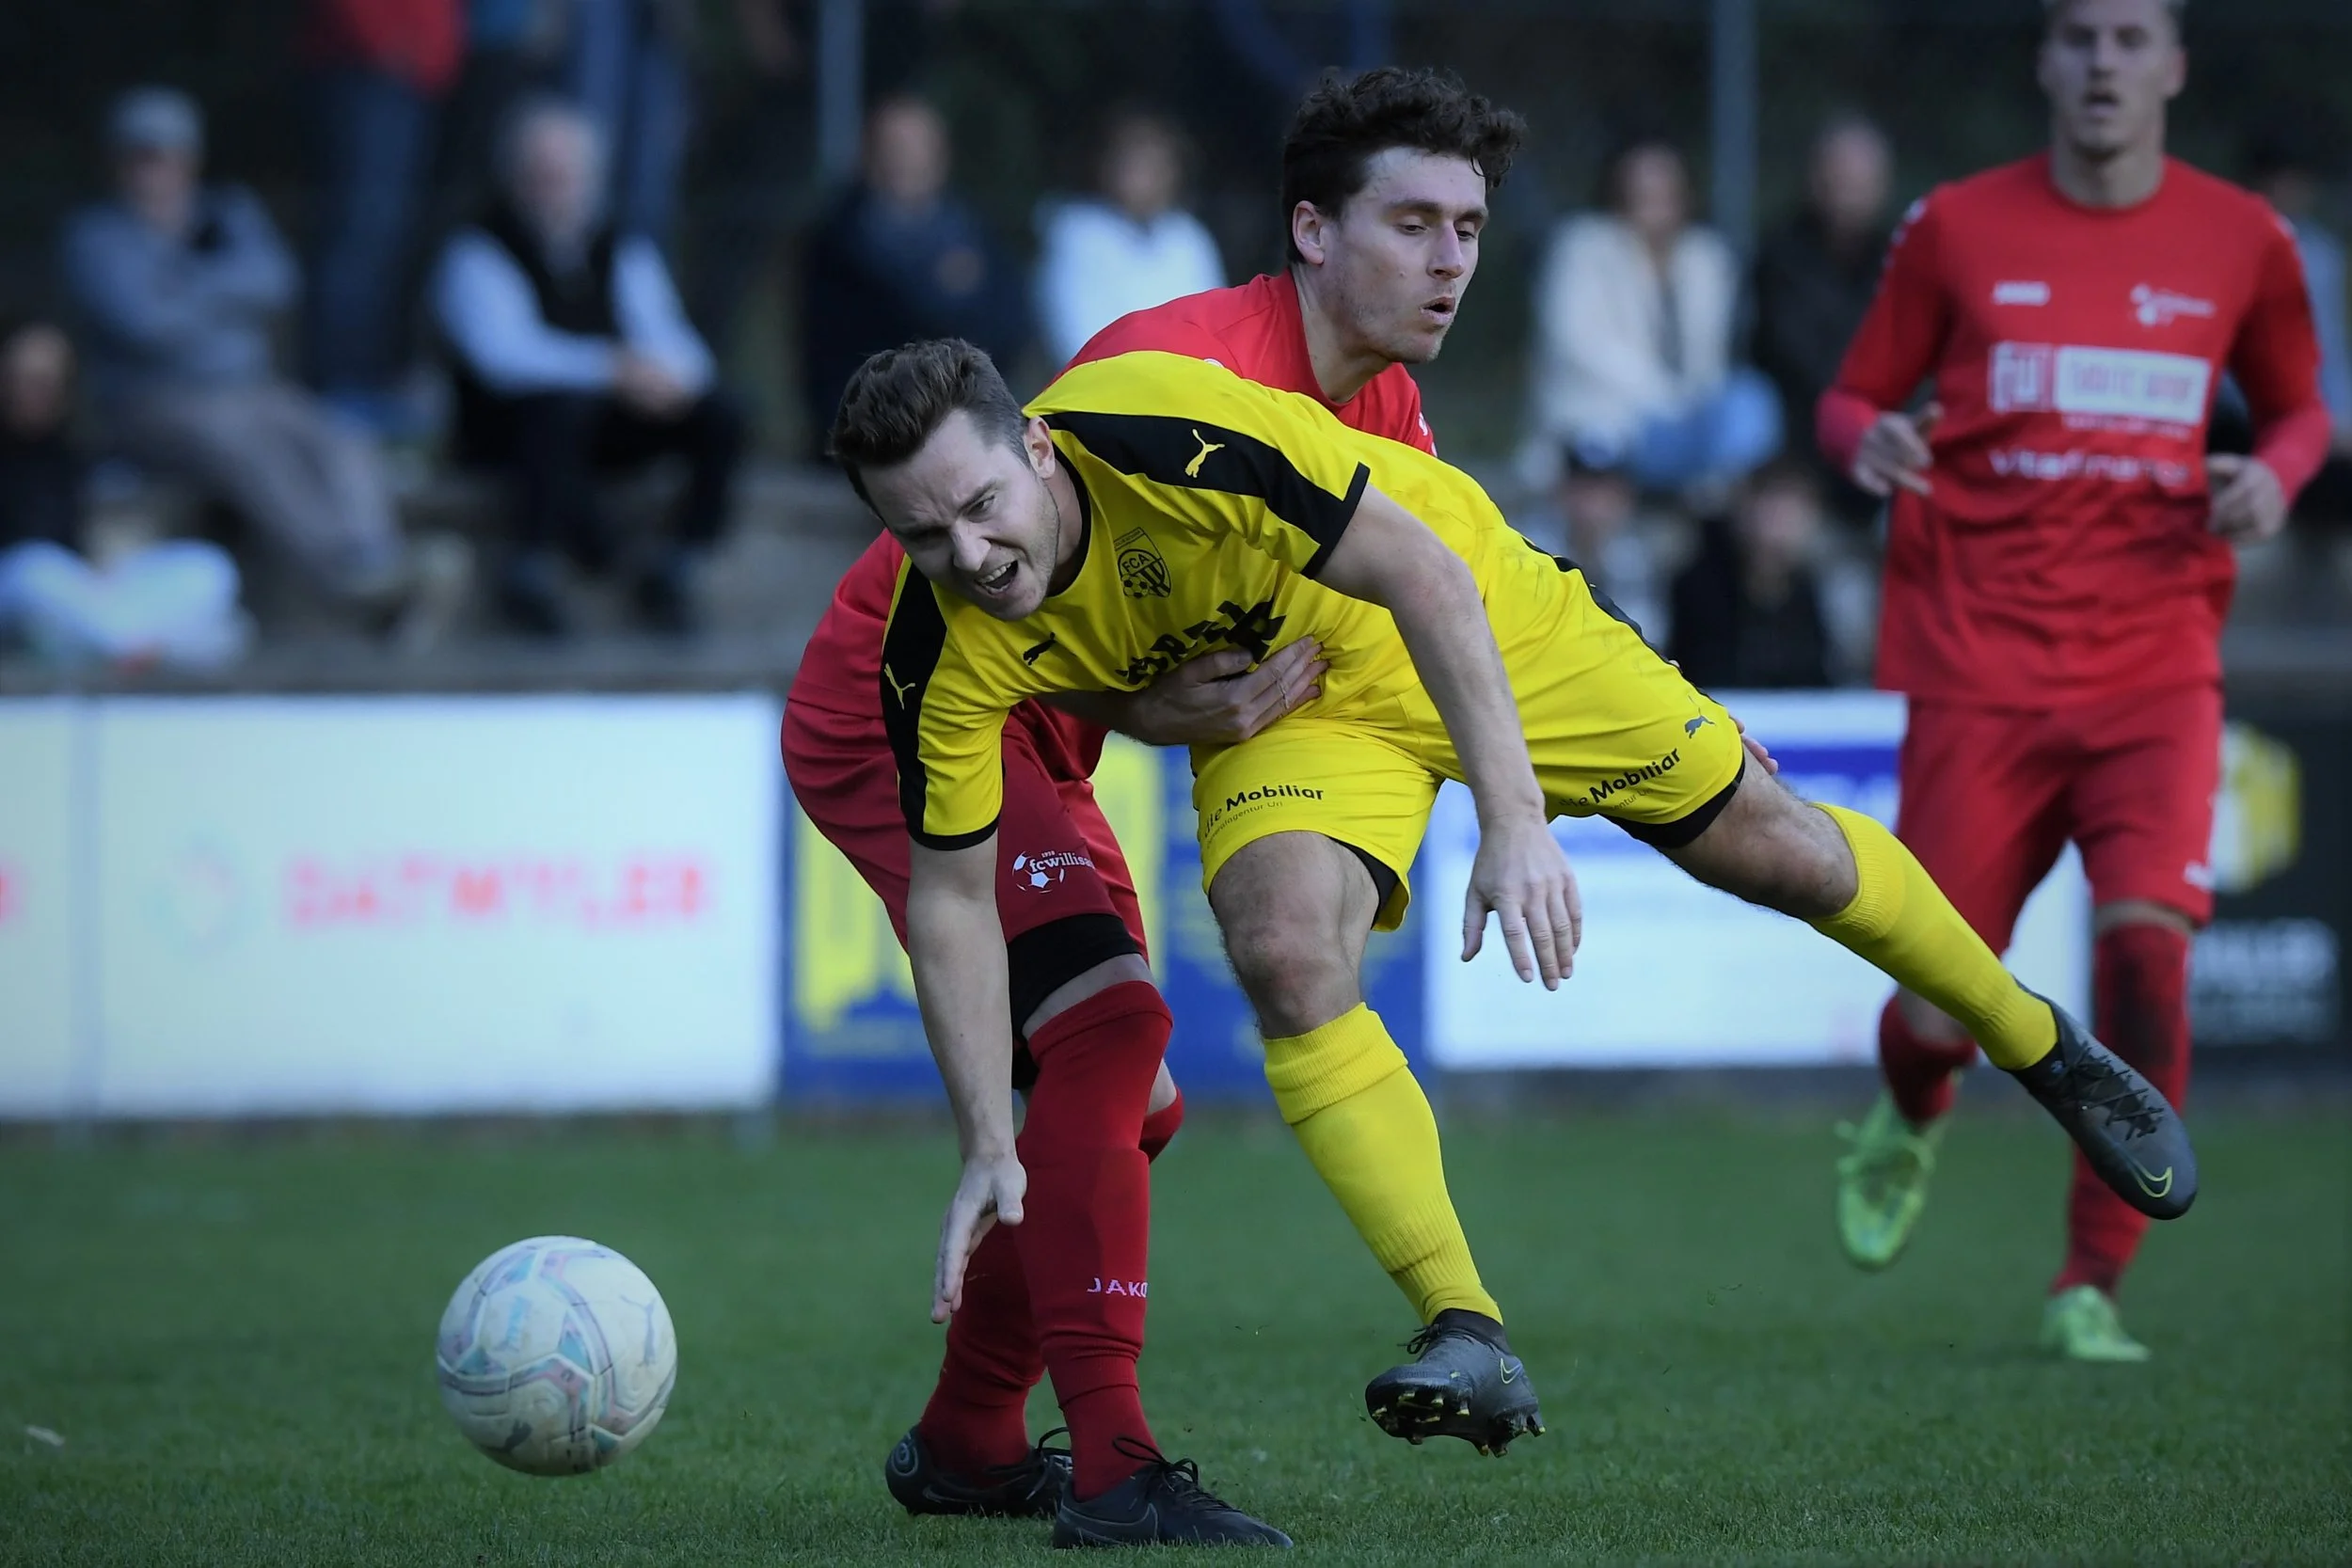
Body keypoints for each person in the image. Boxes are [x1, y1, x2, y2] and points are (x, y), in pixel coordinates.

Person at [839, 339, 2198, 1496]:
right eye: (922, 532)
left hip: (1460, 613)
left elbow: (1423, 577)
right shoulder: (934, 636)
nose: (967, 551)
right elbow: (953, 900)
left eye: (977, 503)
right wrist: (981, 1135)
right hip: (1300, 697)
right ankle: (1464, 1319)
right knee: (1282, 943)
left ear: (1034, 445)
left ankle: (2042, 1048)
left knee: (1779, 852)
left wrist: (1514, 816)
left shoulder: (1162, 430)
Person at [783, 69, 1532, 1545]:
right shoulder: (1180, 364)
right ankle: (1116, 1469)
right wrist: (976, 1129)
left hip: (1038, 730)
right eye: (1418, 223)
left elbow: (1446, 590)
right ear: (1321, 234)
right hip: (911, 723)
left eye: (1467, 229)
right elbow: (1043, 554)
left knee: (1129, 1104)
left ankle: (969, 1440)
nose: (1448, 260)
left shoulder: (1384, 406)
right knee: (1113, 1036)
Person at [1820, 0, 2329, 1362]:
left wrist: (2272, 478)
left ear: (2173, 65)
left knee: (2149, 953)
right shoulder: (1955, 226)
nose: (2103, 63)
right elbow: (1850, 395)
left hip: (2156, 663)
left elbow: (2300, 409)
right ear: (2045, 62)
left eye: (2129, 38)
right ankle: (1912, 1104)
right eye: (2078, 37)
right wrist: (1869, 439)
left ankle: (2089, 1280)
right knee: (1935, 1001)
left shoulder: (2245, 240)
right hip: (1977, 664)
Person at [61, 87, 461, 647]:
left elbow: (276, 281)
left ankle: (377, 557)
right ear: (119, 161)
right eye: (141, 155)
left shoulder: (226, 212)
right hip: (156, 402)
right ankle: (343, 576)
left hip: (251, 389)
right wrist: (224, 298)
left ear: (189, 158)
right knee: (246, 449)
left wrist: (184, 290)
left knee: (335, 437)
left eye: (165, 155)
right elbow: (145, 324)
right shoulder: (97, 236)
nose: (154, 170)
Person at [433, 96, 744, 636]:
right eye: (540, 174)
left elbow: (674, 339)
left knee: (722, 415)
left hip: (603, 426)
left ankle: (677, 566)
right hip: (506, 433)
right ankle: (531, 573)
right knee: (553, 412)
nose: (554, 188)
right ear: (515, 177)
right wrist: (614, 369)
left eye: (566, 174)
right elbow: (505, 358)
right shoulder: (477, 251)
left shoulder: (619, 246)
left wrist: (670, 380)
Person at [1528, 134, 1781, 496]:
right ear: (1618, 190)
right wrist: (1667, 398)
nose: (1653, 200)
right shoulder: (1584, 246)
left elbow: (1707, 358)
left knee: (1752, 399)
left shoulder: (1705, 257)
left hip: (1685, 421)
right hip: (1611, 421)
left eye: (1664, 189)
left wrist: (1689, 408)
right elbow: (1578, 344)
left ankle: (1726, 505)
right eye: (1640, 189)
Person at [0, 320, 246, 669]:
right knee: (35, 569)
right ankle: (151, 647)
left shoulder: (79, 451)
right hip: (23, 586)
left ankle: (108, 647)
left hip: (83, 592)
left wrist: (107, 562)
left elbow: (102, 536)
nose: (39, 391)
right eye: (26, 379)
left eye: (51, 380)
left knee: (208, 566)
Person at [799, 94, 1031, 455]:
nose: (905, 159)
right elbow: (890, 327)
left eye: (917, 147)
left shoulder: (969, 227)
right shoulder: (840, 238)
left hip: (968, 412)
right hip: (876, 423)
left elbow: (1012, 320)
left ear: (941, 156)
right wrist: (951, 292)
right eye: (893, 147)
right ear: (868, 154)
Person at [299, 0, 466, 434]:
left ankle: (377, 384)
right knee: (361, 236)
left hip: (421, 73)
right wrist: (390, 43)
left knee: (392, 238)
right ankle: (338, 388)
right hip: (370, 65)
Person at [1752, 116, 1897, 519]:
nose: (1848, 194)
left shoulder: (1899, 256)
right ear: (1815, 179)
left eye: (1861, 182)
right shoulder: (1781, 254)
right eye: (1839, 178)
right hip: (1800, 427)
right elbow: (1791, 353)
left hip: (1879, 421)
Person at [1033, 111, 1226, 365]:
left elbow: (1214, 329)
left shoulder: (1189, 238)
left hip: (1185, 387)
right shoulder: (1076, 232)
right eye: (1131, 164)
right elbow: (1076, 338)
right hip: (1098, 389)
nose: (1141, 177)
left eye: (1154, 166)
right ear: (1106, 166)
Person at [2243, 127, 2352, 525]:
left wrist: (2340, 419)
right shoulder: (2230, 249)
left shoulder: (2321, 257)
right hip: (2241, 421)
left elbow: (2331, 349)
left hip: (2307, 421)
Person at [1667, 458, 1836, 691]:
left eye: (1794, 510)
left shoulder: (1812, 593)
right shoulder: (1698, 588)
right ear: (1745, 509)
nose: (1782, 522)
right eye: (1773, 507)